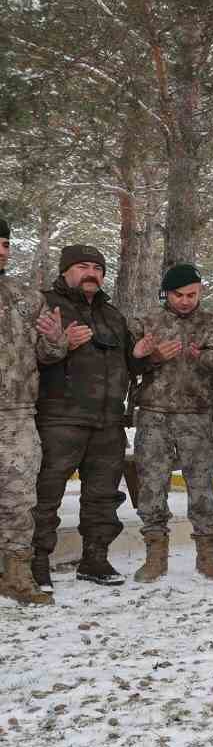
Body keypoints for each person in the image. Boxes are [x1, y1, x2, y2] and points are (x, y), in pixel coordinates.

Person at [33, 244, 146, 588]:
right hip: (60, 418)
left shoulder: (112, 315)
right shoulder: (45, 305)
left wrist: (141, 356)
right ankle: (36, 562)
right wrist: (60, 342)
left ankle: (95, 558)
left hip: (108, 421)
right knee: (45, 494)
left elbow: (130, 363)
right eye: (83, 266)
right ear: (66, 270)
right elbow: (30, 358)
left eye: (98, 268)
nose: (91, 273)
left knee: (102, 495)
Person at [128, 263, 213, 583]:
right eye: (178, 295)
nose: (185, 301)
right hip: (154, 414)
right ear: (166, 293)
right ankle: (155, 555)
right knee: (152, 485)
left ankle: (207, 554)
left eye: (192, 294)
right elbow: (129, 364)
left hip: (198, 414)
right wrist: (149, 356)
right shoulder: (148, 322)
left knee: (202, 487)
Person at [0, 218, 67, 605]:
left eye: (6, 243)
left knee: (19, 499)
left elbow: (48, 356)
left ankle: (17, 576)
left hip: (18, 414)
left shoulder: (28, 297)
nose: (2, 250)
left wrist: (56, 339)